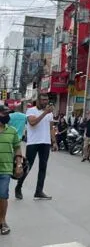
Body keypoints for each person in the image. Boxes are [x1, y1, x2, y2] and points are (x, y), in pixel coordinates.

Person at [15, 94, 55, 201]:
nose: (45, 102)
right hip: (33, 143)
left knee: (43, 167)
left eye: (46, 99)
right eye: (43, 100)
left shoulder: (50, 113)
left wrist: (54, 141)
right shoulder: (31, 111)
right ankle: (19, 187)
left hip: (45, 142)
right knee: (27, 166)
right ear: (38, 101)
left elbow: (51, 128)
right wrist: (45, 113)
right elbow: (32, 123)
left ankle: (38, 191)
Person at [0, 105, 24, 235]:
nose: (7, 116)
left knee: (3, 194)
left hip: (5, 169)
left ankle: (3, 221)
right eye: (4, 114)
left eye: (7, 113)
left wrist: (19, 164)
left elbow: (17, 148)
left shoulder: (12, 130)